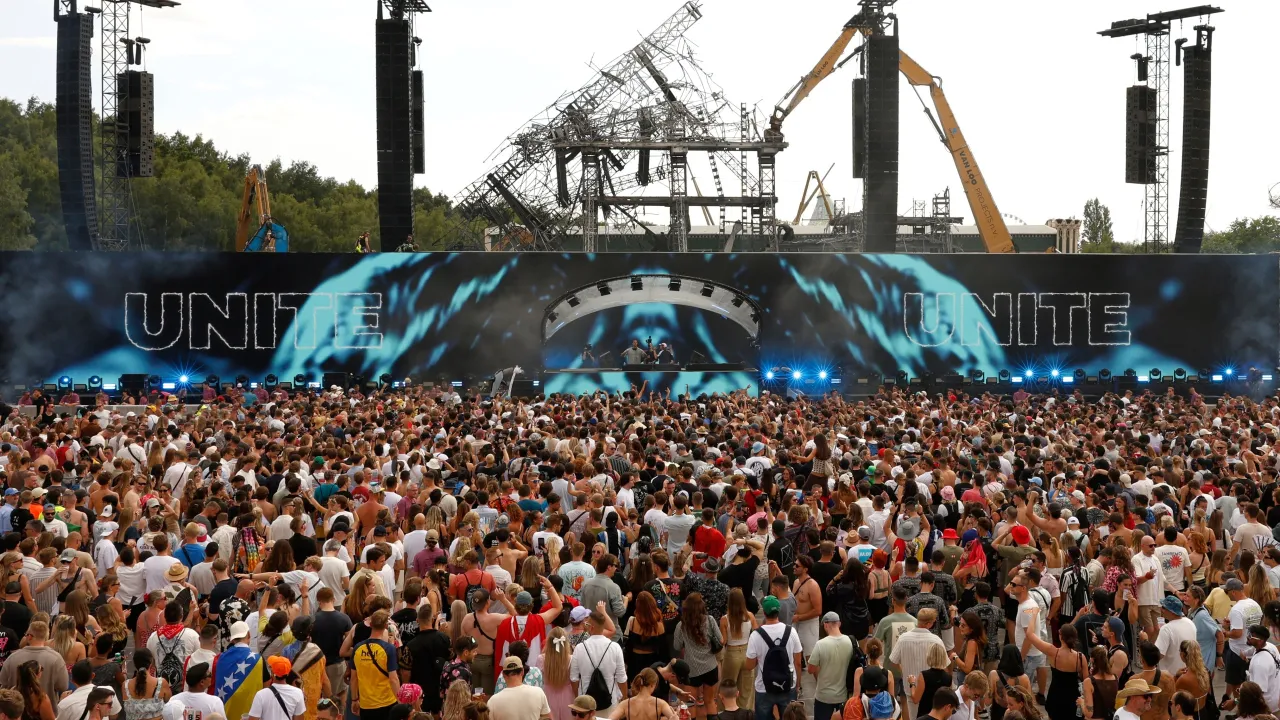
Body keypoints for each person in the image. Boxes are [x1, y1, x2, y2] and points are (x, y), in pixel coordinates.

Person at [745, 595, 803, 720]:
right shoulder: (791, 632)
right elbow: (798, 662)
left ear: (764, 613)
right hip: (788, 685)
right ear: (778, 611)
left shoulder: (756, 635)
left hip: (764, 687)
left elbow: (749, 666)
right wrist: (797, 684)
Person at [889, 608, 946, 720]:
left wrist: (903, 671)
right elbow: (944, 664)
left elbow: (893, 660)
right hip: (932, 689)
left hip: (911, 687)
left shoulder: (903, 638)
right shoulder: (936, 640)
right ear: (929, 623)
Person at [0, 622, 67, 714]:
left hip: (17, 713)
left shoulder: (12, 658)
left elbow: (3, 684)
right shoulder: (56, 658)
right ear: (46, 636)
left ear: (30, 636)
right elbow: (63, 686)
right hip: (46, 713)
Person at [569, 609, 627, 712]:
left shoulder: (579, 648)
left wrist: (578, 697)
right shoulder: (615, 647)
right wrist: (625, 697)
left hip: (586, 702)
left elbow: (574, 678)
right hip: (610, 700)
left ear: (591, 627)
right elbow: (621, 678)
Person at [807, 612, 853, 720]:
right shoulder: (850, 641)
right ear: (839, 624)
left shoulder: (820, 644)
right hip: (843, 695)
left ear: (826, 625)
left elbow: (810, 669)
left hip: (823, 696)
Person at [486, 657, 551, 720]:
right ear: (522, 671)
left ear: (503, 674)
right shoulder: (538, 692)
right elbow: (548, 718)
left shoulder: (493, 702)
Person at [989, 645, 1033, 720]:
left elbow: (988, 700)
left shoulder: (994, 674)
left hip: (998, 714)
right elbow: (1029, 701)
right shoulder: (1024, 678)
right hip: (1018, 715)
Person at [1245, 624, 1280, 711]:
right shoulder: (1271, 647)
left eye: (1250, 636)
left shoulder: (1259, 663)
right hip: (1276, 701)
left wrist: (1236, 702)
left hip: (1265, 707)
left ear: (1260, 641)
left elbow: (1257, 692)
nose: (1247, 637)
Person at [1080, 646, 1118, 720]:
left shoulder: (1089, 681)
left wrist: (1081, 702)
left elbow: (1089, 712)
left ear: (1092, 660)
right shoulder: (1114, 677)